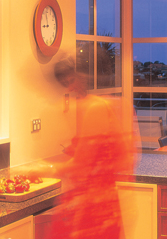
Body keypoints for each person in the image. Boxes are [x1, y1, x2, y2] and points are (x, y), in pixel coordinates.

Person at [46, 56, 138, 238]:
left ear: (85, 75)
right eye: (65, 84)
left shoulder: (96, 108)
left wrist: (42, 169)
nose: (70, 88)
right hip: (104, 204)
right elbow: (125, 155)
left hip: (94, 208)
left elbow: (82, 165)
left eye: (71, 80)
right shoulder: (108, 105)